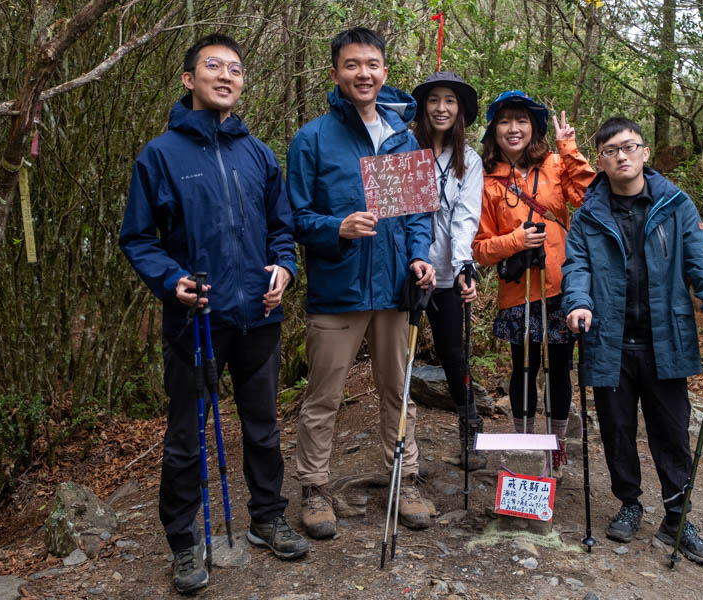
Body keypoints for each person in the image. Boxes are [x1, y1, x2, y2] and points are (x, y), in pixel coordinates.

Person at [119, 33, 308, 594]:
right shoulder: (160, 155)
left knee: (264, 426)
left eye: (234, 69)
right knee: (186, 434)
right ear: (188, 80)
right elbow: (137, 238)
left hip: (259, 316)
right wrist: (169, 279)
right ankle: (183, 541)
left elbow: (283, 228)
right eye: (213, 67)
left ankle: (268, 517)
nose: (226, 76)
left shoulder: (259, 154)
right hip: (194, 320)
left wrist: (285, 269)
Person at [562, 116, 703, 565]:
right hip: (608, 340)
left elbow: (702, 266)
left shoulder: (677, 205)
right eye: (610, 151)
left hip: (667, 338)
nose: (620, 156)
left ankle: (676, 519)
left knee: (672, 433)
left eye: (628, 147)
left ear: (644, 152)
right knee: (617, 430)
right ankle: (629, 503)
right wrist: (578, 303)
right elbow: (576, 268)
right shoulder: (588, 215)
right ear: (599, 161)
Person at [287, 27, 435, 540]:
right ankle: (314, 488)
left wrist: (419, 258)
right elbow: (296, 218)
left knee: (398, 390)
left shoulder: (403, 138)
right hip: (339, 287)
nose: (363, 74)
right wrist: (337, 228)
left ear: (385, 72)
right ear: (335, 74)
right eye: (352, 65)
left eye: (371, 64)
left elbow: (419, 214)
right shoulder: (312, 139)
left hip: (396, 290)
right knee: (323, 396)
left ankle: (407, 478)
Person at [471, 91, 594, 473]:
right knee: (522, 368)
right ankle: (524, 445)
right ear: (494, 129)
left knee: (559, 368)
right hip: (517, 291)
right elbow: (479, 249)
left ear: (533, 128)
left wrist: (569, 147)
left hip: (561, 285)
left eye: (521, 121)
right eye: (505, 121)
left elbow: (589, 197)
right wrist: (516, 241)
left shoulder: (556, 165)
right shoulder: (487, 181)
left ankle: (556, 448)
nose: (513, 129)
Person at [410, 71, 485, 470]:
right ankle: (402, 445)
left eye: (450, 101)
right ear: (423, 107)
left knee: (453, 355)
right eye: (434, 99)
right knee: (399, 358)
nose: (441, 108)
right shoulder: (405, 150)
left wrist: (461, 267)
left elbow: (465, 217)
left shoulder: (468, 161)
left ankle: (470, 433)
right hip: (406, 270)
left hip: (445, 274)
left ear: (460, 111)